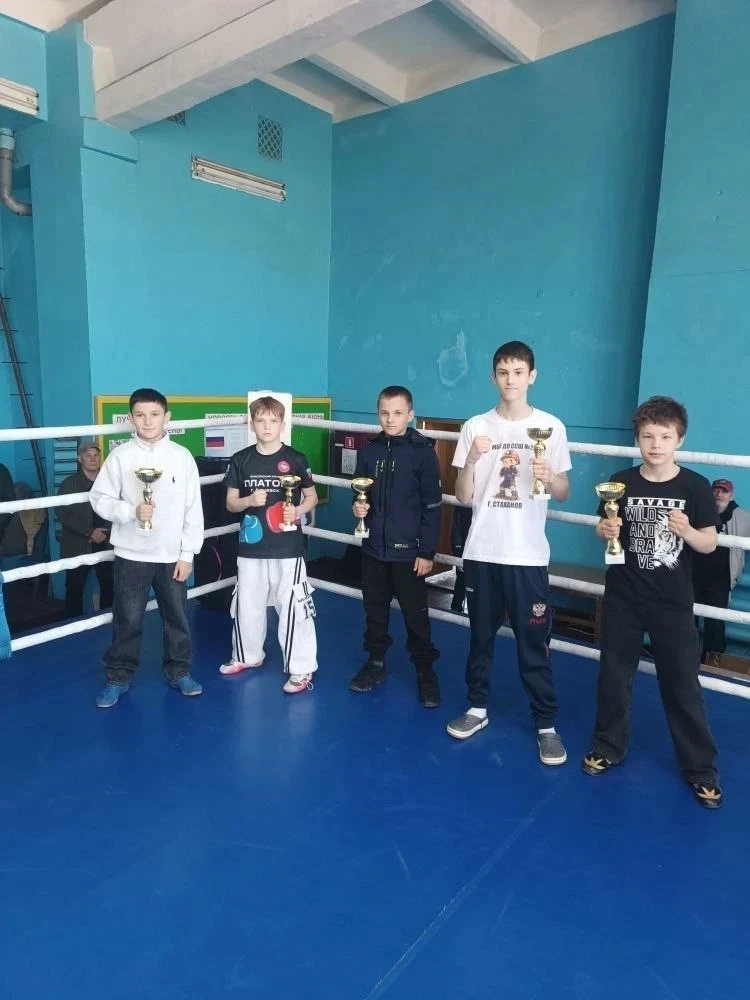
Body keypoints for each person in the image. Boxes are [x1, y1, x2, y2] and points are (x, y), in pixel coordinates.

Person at [582, 395, 722, 809]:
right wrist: (605, 530)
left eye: (664, 436)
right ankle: (608, 745)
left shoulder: (694, 486)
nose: (656, 444)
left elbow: (709, 543)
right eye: (648, 436)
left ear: (680, 439)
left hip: (672, 601)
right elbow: (602, 527)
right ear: (638, 438)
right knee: (613, 675)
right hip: (623, 596)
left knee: (682, 683)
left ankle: (700, 768)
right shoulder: (621, 481)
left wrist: (688, 532)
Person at [446, 341, 571, 765]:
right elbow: (463, 496)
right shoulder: (475, 426)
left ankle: (546, 725)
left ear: (531, 376)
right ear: (493, 377)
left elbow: (564, 492)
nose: (510, 380)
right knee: (480, 637)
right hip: (482, 551)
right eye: (503, 372)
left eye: (518, 372)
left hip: (527, 555)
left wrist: (549, 475)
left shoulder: (551, 427)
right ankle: (477, 708)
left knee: (533, 642)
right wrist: (470, 461)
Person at [90, 388, 204, 708]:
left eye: (154, 414)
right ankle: (118, 677)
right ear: (131, 418)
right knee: (127, 618)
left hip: (171, 555)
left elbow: (193, 509)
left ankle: (179, 671)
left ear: (167, 417)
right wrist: (130, 511)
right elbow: (99, 498)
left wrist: (187, 554)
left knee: (177, 616)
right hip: (131, 553)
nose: (148, 421)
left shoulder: (181, 457)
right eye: (140, 415)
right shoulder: (121, 456)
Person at [349, 386, 442, 707]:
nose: (391, 419)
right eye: (385, 413)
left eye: (398, 413)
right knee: (374, 611)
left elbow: (432, 506)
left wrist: (426, 551)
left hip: (409, 554)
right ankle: (375, 663)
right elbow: (359, 493)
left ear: (410, 414)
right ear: (378, 413)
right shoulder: (369, 450)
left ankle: (425, 672)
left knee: (416, 617)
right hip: (374, 548)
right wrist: (359, 507)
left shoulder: (423, 452)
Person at [220, 396, 319, 693]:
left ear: (282, 424)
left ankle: (301, 669)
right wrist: (248, 500)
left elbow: (311, 496)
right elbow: (230, 504)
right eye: (261, 420)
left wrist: (297, 510)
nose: (267, 426)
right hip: (251, 546)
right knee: (248, 602)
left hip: (288, 547)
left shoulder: (297, 458)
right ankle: (247, 656)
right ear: (252, 424)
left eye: (273, 421)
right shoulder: (240, 459)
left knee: (294, 606)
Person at [692, 478, 750, 664]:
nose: (719, 494)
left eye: (723, 491)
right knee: (687, 620)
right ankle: (687, 659)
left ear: (731, 495)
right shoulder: (699, 510)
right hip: (693, 576)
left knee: (716, 624)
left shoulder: (743, 517)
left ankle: (714, 664)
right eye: (716, 490)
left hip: (720, 580)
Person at [57, 441, 113, 617]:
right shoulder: (69, 484)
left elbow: (118, 507)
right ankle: (72, 626)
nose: (93, 459)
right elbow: (62, 513)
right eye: (88, 456)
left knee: (110, 587)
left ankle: (107, 623)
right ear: (80, 459)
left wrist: (105, 532)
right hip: (78, 545)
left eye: (96, 455)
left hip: (106, 543)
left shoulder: (110, 482)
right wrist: (89, 532)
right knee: (74, 589)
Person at [450, 504, 472, 614]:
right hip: (463, 549)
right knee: (461, 580)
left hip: (480, 551)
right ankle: (455, 610)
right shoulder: (462, 505)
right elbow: (456, 531)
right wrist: (458, 553)